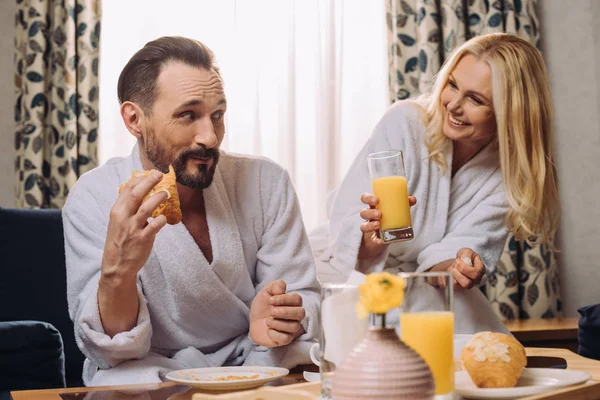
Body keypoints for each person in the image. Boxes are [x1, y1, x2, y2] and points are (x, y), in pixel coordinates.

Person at [63, 36, 320, 385]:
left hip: (256, 358)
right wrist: (117, 272)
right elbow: (111, 349)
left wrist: (277, 320)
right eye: (188, 115)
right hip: (148, 373)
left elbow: (304, 297)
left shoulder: (266, 181)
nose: (210, 137)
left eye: (217, 115)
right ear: (134, 119)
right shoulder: (93, 197)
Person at [312, 33, 559, 333]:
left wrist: (460, 267)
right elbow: (346, 227)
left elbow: (444, 263)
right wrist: (370, 240)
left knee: (483, 337)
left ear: (509, 113)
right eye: (453, 85)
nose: (453, 105)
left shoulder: (506, 179)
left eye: (475, 99)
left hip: (421, 284)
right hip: (348, 267)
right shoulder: (404, 122)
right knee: (335, 328)